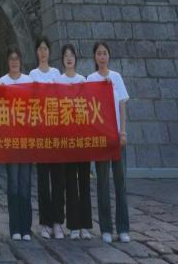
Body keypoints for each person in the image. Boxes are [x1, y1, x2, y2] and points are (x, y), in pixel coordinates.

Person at [87, 41, 130, 244]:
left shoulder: (116, 77)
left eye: (105, 53)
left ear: (109, 56)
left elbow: (122, 106)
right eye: (99, 53)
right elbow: (89, 109)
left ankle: (123, 228)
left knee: (120, 182)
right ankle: (105, 228)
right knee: (102, 183)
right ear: (95, 57)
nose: (102, 56)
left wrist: (123, 132)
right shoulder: (91, 79)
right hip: (101, 139)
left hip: (117, 137)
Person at [28, 36, 64, 240]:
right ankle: (45, 223)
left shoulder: (56, 74)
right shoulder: (32, 75)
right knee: (42, 181)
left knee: (57, 180)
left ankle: (58, 222)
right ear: (36, 52)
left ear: (49, 52)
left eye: (45, 49)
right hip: (40, 134)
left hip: (55, 133)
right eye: (40, 49)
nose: (43, 52)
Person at [56, 43, 92, 240]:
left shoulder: (83, 80)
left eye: (71, 55)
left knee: (84, 182)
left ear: (75, 59)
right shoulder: (58, 81)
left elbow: (90, 106)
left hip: (82, 138)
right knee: (70, 182)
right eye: (66, 56)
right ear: (62, 60)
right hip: (67, 140)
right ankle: (73, 226)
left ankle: (85, 225)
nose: (69, 58)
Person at [0, 47, 32, 241]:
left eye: (17, 59)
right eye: (11, 59)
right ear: (7, 62)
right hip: (10, 142)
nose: (14, 62)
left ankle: (26, 227)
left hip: (25, 141)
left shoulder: (28, 81)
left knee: (25, 184)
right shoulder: (2, 82)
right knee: (13, 185)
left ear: (20, 62)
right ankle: (15, 228)